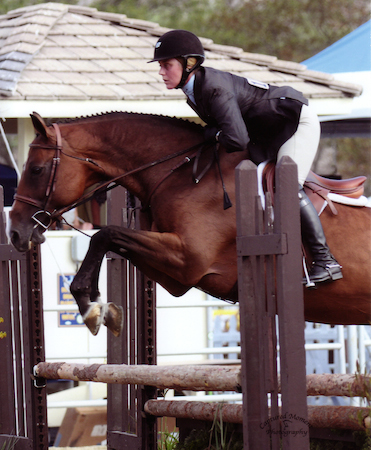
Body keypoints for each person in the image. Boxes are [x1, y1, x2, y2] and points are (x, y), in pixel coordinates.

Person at [149, 29, 343, 286]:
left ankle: (326, 261)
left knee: (285, 186)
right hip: (267, 133)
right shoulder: (194, 89)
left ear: (189, 64)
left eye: (167, 65)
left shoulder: (213, 88)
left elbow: (236, 139)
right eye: (161, 66)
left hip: (294, 124)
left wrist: (213, 133)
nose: (161, 72)